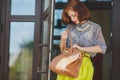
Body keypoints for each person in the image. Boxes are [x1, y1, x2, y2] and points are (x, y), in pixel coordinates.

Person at [57, 0, 107, 80]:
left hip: (84, 64)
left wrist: (81, 49)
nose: (72, 19)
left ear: (81, 11)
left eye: (74, 15)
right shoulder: (70, 27)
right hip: (68, 63)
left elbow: (102, 48)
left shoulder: (95, 28)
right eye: (70, 17)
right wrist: (63, 39)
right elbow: (63, 50)